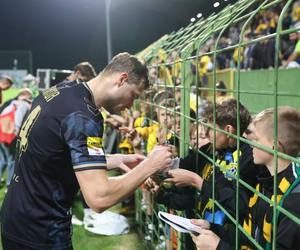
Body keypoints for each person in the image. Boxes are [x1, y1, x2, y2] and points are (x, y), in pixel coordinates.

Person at [0, 52, 172, 250]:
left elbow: (53, 152)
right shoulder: (83, 116)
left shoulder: (61, 91)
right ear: (122, 79)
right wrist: (150, 165)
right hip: (42, 229)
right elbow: (99, 197)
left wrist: (115, 159)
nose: (130, 106)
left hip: (16, 216)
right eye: (134, 95)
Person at [192, 106, 300, 249]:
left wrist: (219, 247)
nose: (250, 143)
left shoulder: (293, 200)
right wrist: (211, 228)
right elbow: (250, 236)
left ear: (274, 146)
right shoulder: (264, 181)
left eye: (256, 139)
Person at [0, 89, 32, 188]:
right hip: (10, 134)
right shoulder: (23, 105)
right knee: (12, 160)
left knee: (3, 159)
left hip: (2, 133)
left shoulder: (11, 104)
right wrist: (17, 130)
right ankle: (9, 185)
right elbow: (18, 117)